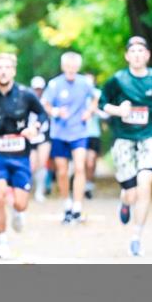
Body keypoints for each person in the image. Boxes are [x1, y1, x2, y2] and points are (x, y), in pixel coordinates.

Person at [99, 36, 152, 257]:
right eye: (132, 51)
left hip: (149, 135)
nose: (136, 55)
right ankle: (124, 202)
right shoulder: (118, 79)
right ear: (127, 56)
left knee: (145, 184)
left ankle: (136, 236)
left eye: (140, 51)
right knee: (131, 193)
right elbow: (102, 103)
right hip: (124, 138)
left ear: (147, 55)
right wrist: (118, 111)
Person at [0, 53, 47, 259]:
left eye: (7, 67)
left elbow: (42, 114)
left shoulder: (26, 95)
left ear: (13, 70)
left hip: (21, 154)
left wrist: (35, 127)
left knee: (21, 203)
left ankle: (19, 212)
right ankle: (2, 241)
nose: (3, 71)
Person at [41, 52, 98, 224]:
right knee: (62, 170)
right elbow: (45, 103)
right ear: (63, 67)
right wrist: (56, 112)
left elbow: (96, 97)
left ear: (78, 67)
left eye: (74, 66)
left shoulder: (84, 83)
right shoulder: (55, 84)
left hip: (79, 132)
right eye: (68, 66)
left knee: (79, 167)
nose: (71, 69)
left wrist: (89, 112)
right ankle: (67, 203)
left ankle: (77, 207)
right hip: (59, 132)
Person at [82, 72, 107, 199]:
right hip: (79, 134)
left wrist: (95, 111)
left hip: (93, 134)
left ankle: (89, 185)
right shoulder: (78, 94)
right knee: (82, 162)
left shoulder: (98, 95)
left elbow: (106, 113)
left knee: (91, 162)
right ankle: (81, 184)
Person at [28, 76, 51, 203]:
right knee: (32, 165)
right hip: (31, 136)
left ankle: (39, 191)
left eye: (40, 89)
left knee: (42, 163)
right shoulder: (27, 100)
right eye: (35, 89)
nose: (38, 91)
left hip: (43, 135)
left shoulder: (47, 101)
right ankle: (29, 188)